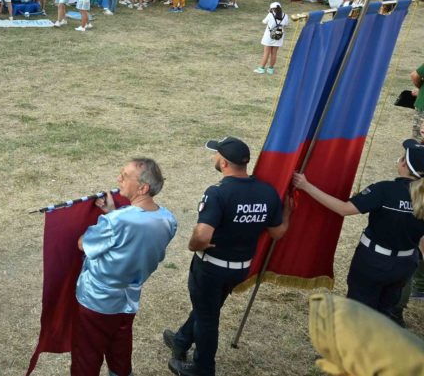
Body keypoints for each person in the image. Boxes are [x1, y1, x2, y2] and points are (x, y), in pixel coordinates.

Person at [165, 137, 291, 376]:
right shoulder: (268, 191)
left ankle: (202, 369)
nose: (214, 158)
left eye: (216, 155)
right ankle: (181, 340)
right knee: (207, 308)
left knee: (207, 319)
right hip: (240, 268)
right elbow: (277, 233)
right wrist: (286, 213)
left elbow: (202, 236)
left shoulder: (217, 193)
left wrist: (193, 245)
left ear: (223, 163)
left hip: (211, 268)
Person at [291, 140, 424, 324]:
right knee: (384, 314)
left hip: (373, 262)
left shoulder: (385, 189)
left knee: (358, 313)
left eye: (402, 157)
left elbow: (344, 209)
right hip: (405, 264)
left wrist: (306, 186)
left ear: (404, 165)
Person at [72, 159, 178, 376]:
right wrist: (113, 212)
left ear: (143, 188)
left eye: (125, 176)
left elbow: (84, 244)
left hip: (97, 300)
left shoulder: (116, 221)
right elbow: (135, 239)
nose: (119, 179)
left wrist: (111, 216)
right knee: (119, 347)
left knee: (87, 354)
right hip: (129, 298)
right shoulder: (168, 219)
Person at [255, 2, 289, 74]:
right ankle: (271, 69)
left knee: (266, 52)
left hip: (269, 35)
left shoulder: (270, 15)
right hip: (279, 35)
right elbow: (286, 24)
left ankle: (261, 68)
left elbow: (264, 22)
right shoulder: (285, 15)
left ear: (272, 9)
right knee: (274, 53)